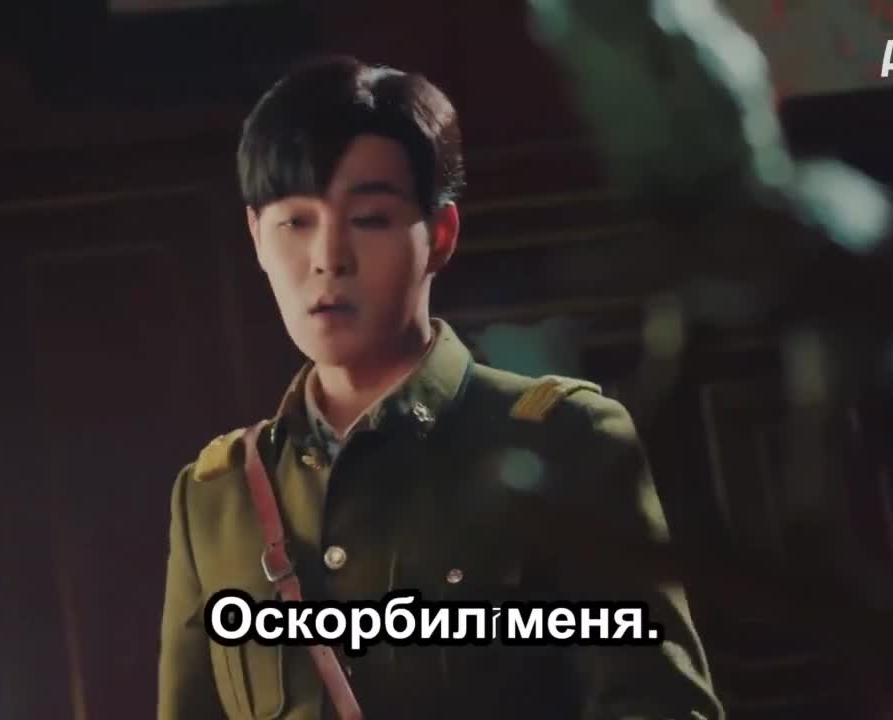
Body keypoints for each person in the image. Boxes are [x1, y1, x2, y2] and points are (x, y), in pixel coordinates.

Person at [156, 54, 723, 720]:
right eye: (295, 222)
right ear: (256, 237)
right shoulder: (216, 497)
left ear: (441, 235)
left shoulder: (564, 440)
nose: (328, 258)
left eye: (369, 218)